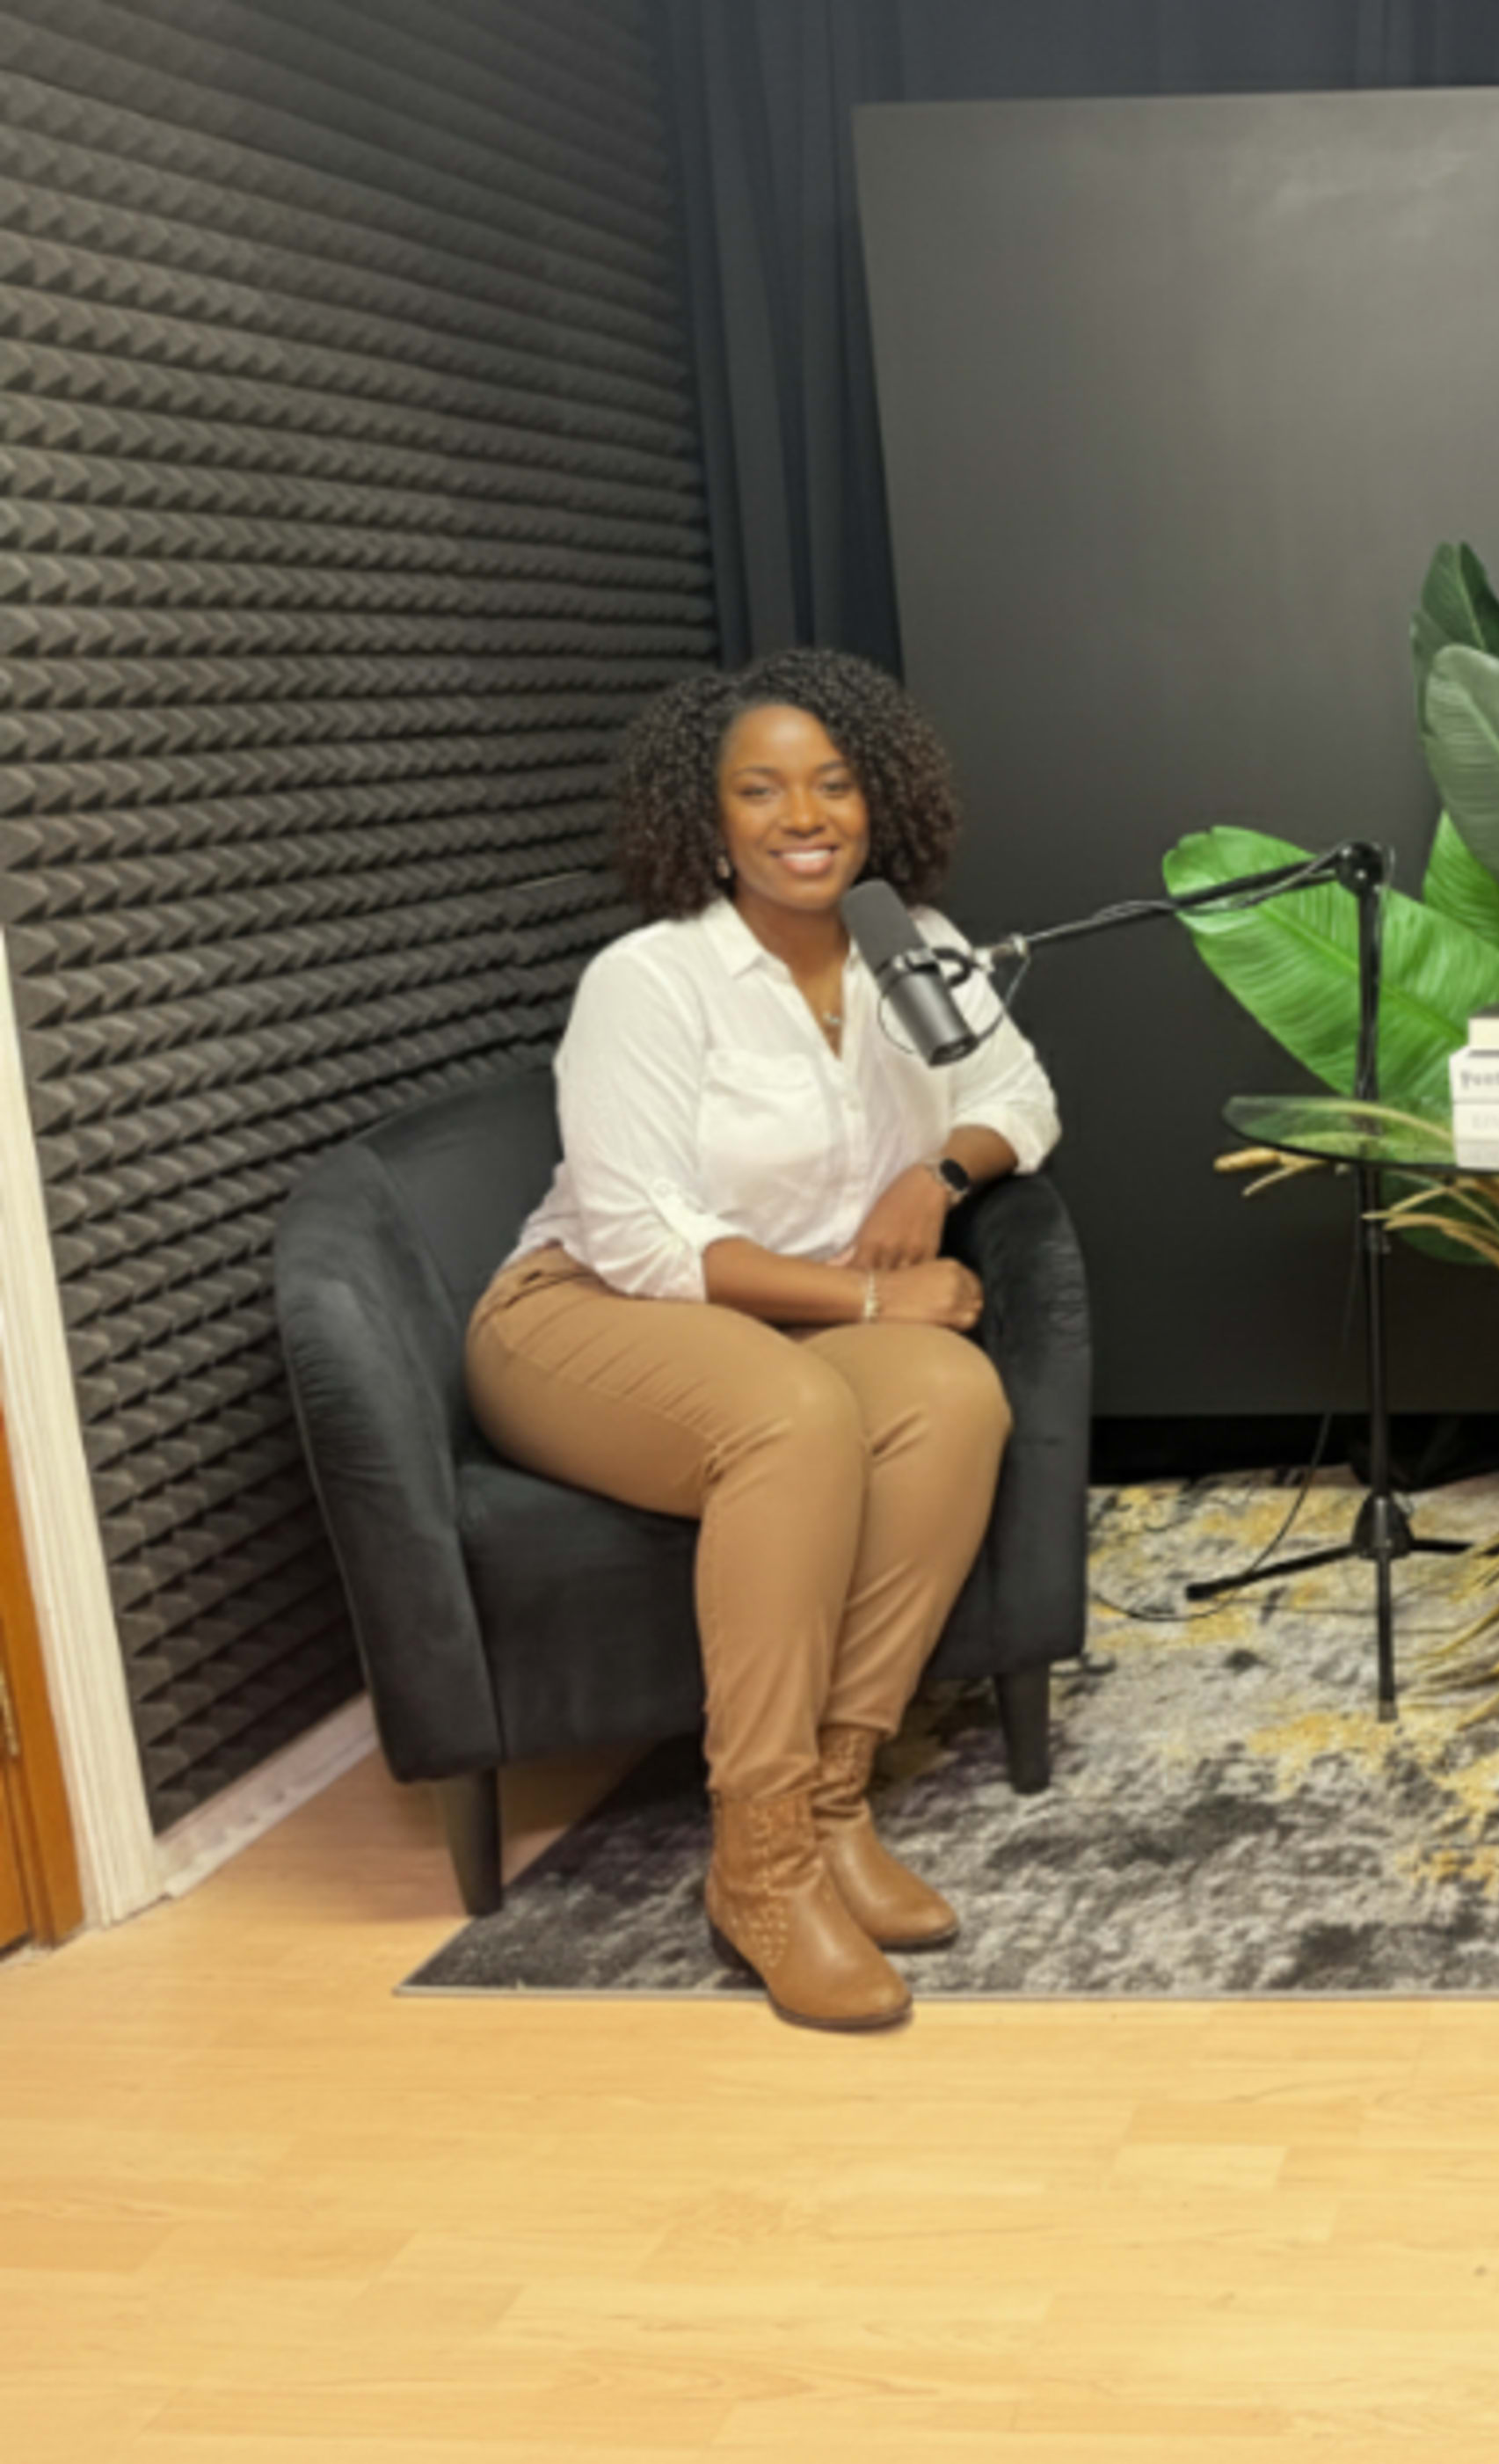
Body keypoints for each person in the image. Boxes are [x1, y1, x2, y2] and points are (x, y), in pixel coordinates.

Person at [466, 647, 1060, 2032]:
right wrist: (863, 1300)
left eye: (832, 783)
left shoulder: (913, 945)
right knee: (793, 1421)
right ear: (707, 816)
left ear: (877, 799)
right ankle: (763, 1859)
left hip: (767, 1325)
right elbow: (640, 1242)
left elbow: (1021, 1088)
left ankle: (840, 1799)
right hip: (583, 1315)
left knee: (950, 1395)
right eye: (761, 789)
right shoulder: (652, 980)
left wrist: (941, 1176)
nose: (805, 815)